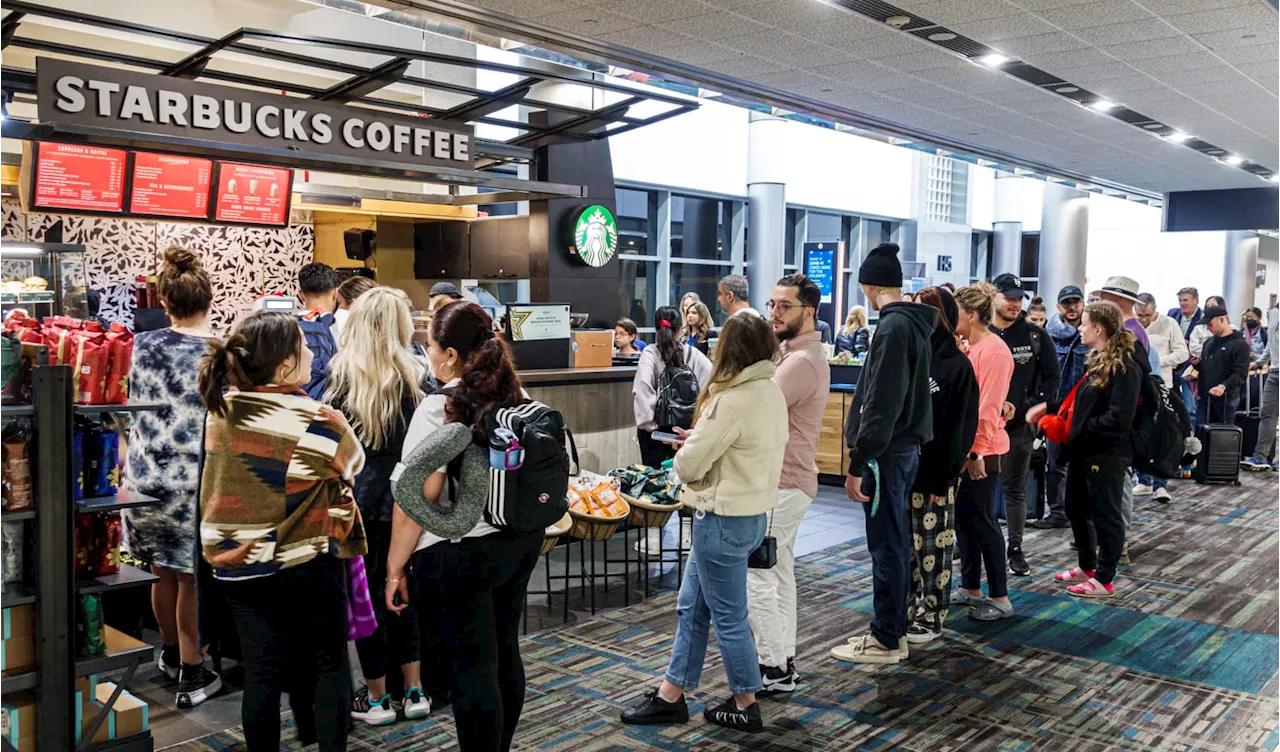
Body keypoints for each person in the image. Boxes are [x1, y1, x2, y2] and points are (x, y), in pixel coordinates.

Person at [198, 310, 367, 752]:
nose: (313, 350)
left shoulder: (222, 409)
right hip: (302, 561)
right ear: (284, 364)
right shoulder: (317, 418)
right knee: (329, 663)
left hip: (235, 566)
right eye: (304, 345)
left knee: (262, 673)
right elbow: (353, 465)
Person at [621, 314, 788, 733]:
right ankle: (670, 695)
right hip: (747, 514)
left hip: (721, 519)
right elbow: (739, 451)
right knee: (691, 609)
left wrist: (689, 447)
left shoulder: (729, 400)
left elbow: (688, 464)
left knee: (728, 616)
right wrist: (698, 440)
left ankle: (747, 701)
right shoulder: (769, 391)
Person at [323, 287, 432, 727]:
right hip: (410, 503)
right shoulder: (420, 377)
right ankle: (416, 691)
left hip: (360, 506)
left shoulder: (340, 379)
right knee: (404, 594)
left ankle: (377, 699)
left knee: (366, 602)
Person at [121, 247, 222, 708]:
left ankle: (169, 653)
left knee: (160, 571)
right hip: (194, 480)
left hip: (143, 478)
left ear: (164, 304)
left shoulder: (138, 346)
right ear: (209, 300)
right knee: (189, 579)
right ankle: (193, 673)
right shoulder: (220, 353)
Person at [831, 243, 934, 664]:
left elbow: (881, 405)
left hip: (885, 455)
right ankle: (895, 630)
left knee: (887, 545)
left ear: (868, 287)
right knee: (895, 542)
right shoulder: (910, 324)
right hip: (900, 451)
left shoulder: (893, 329)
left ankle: (886, 639)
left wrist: (857, 462)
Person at [750, 275, 830, 696]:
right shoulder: (788, 353)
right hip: (786, 481)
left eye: (785, 306)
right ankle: (783, 660)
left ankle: (773, 667)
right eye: (773, 304)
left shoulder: (801, 361)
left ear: (809, 312)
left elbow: (758, 411)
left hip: (782, 483)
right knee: (778, 571)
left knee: (758, 574)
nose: (775, 313)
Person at [1029, 301, 1142, 599]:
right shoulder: (1098, 359)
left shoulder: (1125, 366)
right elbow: (1080, 403)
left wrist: (1081, 430)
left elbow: (1120, 417)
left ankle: (1105, 579)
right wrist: (1050, 408)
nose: (1079, 327)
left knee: (1107, 515)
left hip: (1106, 453)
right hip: (1084, 450)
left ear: (1098, 328)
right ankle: (1087, 567)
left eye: (1085, 322)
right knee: (1075, 508)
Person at [904, 286, 978, 644]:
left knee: (932, 549)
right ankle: (904, 610)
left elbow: (960, 430)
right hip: (902, 471)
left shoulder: (956, 365)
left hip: (935, 475)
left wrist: (942, 478)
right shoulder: (911, 355)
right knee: (904, 548)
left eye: (925, 311)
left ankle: (932, 615)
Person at [987, 274, 1060, 577]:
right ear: (994, 297)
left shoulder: (1034, 336)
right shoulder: (981, 333)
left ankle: (1014, 549)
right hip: (981, 427)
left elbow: (1052, 377)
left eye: (1020, 298)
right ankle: (969, 546)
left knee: (1014, 490)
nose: (1016, 303)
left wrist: (1037, 410)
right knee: (976, 490)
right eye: (1010, 297)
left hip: (1018, 428)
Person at [951, 283, 1016, 621]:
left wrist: (976, 452)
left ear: (973, 315)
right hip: (967, 449)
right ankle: (971, 586)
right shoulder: (971, 348)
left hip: (984, 451)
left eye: (957, 311)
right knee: (965, 519)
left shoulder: (993, 351)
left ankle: (1001, 597)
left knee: (984, 521)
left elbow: (988, 409)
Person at [1097, 276, 1156, 565]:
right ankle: (1114, 540)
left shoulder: (1129, 334)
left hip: (1123, 424)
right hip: (1124, 421)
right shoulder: (1132, 330)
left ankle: (1118, 543)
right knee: (1115, 485)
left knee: (1118, 484)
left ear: (1116, 300)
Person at [1034, 285, 1088, 530]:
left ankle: (1081, 516)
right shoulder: (1049, 335)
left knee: (1083, 466)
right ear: (1059, 307)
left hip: (1084, 409)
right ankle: (1057, 512)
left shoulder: (1090, 332)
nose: (1072, 307)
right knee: (1055, 464)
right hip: (1057, 410)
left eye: (1076, 302)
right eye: (1067, 303)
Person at [632, 306, 712, 467]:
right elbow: (711, 385)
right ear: (680, 328)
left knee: (655, 481)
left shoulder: (651, 353)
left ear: (656, 327)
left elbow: (642, 388)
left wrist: (649, 425)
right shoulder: (692, 353)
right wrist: (698, 425)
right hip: (685, 431)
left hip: (655, 432)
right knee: (682, 480)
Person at [1134, 293, 1189, 502]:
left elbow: (1182, 353)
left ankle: (1160, 484)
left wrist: (1156, 361)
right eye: (1139, 315)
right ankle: (1143, 480)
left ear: (1154, 310)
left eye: (1147, 316)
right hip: (1139, 386)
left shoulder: (1170, 324)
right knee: (1141, 433)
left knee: (1162, 435)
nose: (1143, 320)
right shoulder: (1132, 327)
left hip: (1162, 385)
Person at [1197, 304, 1250, 427]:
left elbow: (1240, 373)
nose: (1209, 328)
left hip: (1227, 399)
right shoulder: (1209, 342)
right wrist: (1196, 364)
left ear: (1222, 319)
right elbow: (1206, 367)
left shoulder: (1240, 345)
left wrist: (1223, 386)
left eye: (1210, 324)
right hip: (1205, 398)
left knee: (1222, 439)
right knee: (1202, 435)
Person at [1243, 300, 1280, 470]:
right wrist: (1259, 362)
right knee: (1267, 414)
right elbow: (1271, 343)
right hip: (1274, 371)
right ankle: (1260, 457)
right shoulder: (1273, 314)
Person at [297, 262, 341, 398]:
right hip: (330, 404)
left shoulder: (285, 327)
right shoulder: (346, 327)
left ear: (301, 295)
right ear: (335, 293)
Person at [1169, 287, 1204, 429]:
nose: (1182, 303)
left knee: (1190, 407)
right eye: (1180, 300)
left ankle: (1192, 436)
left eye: (1185, 300)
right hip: (1172, 365)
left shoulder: (1202, 319)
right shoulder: (1172, 315)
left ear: (1195, 300)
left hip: (1189, 368)